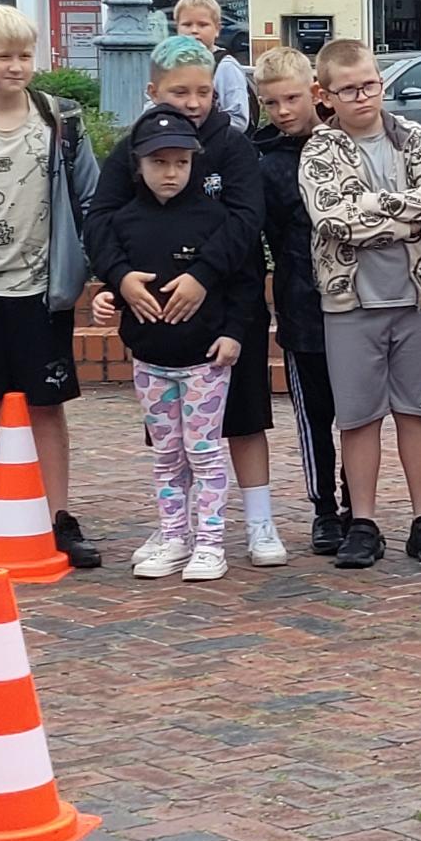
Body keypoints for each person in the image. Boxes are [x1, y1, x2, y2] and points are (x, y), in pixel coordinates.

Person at [86, 34, 286, 567]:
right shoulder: (134, 147)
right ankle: (176, 528)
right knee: (173, 436)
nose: (194, 103)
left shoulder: (232, 145)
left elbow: (247, 218)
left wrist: (203, 274)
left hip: (228, 307)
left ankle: (259, 523)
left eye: (203, 92)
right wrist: (120, 278)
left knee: (244, 417)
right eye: (180, 92)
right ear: (154, 91)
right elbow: (102, 218)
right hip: (160, 324)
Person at [299, 38, 421, 570]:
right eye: (348, 90)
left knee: (417, 412)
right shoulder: (320, 151)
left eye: (369, 84)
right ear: (325, 95)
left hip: (417, 297)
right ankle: (363, 522)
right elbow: (333, 220)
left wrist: (370, 208)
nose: (362, 96)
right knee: (358, 417)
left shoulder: (412, 136)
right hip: (350, 303)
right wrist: (405, 216)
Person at [0, 5, 102, 568]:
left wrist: (89, 269)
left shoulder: (58, 121)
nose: (16, 66)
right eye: (3, 56)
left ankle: (60, 515)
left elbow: (90, 198)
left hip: (43, 288)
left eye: (24, 55)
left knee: (47, 403)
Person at [95, 110, 244, 581]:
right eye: (158, 163)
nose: (171, 173)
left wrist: (234, 332)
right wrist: (109, 299)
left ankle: (210, 543)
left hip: (204, 362)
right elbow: (119, 283)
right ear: (138, 164)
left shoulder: (214, 218)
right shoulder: (124, 221)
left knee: (204, 453)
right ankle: (174, 535)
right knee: (166, 455)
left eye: (181, 162)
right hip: (149, 360)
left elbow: (241, 280)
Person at [254, 47, 350, 554]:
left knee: (356, 413)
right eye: (271, 103)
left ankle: (358, 505)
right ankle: (324, 510)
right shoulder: (264, 162)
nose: (283, 111)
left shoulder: (345, 143)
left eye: (291, 98)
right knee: (313, 416)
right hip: (300, 308)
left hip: (353, 304)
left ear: (314, 92)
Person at [172, 0, 253, 132]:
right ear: (177, 28)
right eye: (187, 24)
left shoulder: (226, 67)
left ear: (217, 29)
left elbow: (239, 119)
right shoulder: (169, 65)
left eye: (203, 25)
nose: (194, 31)